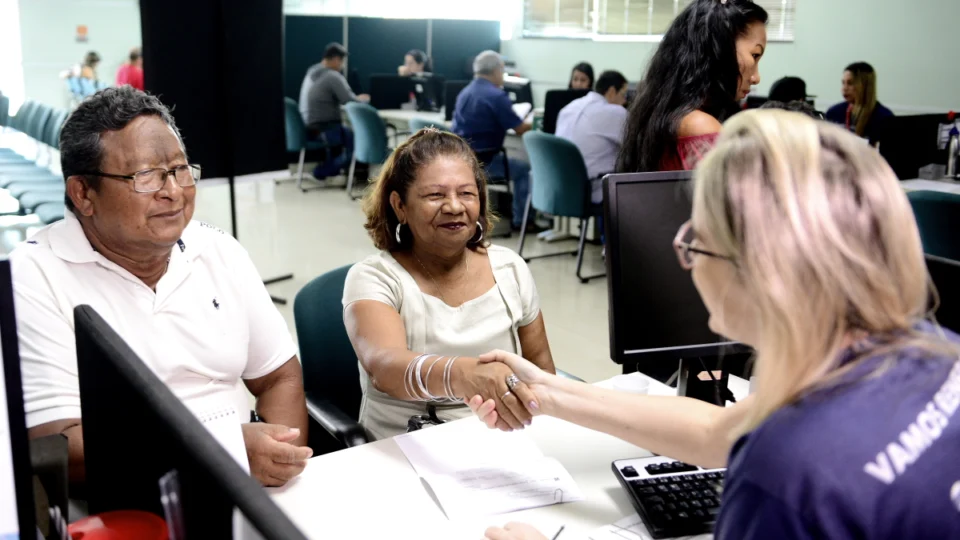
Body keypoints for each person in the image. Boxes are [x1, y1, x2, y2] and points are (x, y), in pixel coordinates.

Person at [474, 110, 960, 539]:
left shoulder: (784, 475)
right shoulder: (931, 348)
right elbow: (717, 431)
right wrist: (550, 393)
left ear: (761, 272)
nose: (686, 257)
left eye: (697, 239)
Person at [11, 87, 311, 489]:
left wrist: (282, 467)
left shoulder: (217, 249)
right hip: (129, 501)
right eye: (145, 176)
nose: (172, 192)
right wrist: (224, 455)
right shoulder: (35, 275)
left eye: (179, 169)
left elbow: (280, 378)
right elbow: (59, 446)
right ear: (83, 194)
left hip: (249, 489)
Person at [343, 128, 555, 440]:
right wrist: (466, 375)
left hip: (504, 439)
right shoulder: (374, 277)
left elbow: (542, 372)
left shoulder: (510, 268)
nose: (454, 206)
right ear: (400, 206)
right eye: (435, 195)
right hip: (405, 445)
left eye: (466, 194)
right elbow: (385, 369)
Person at [618, 0, 768, 173]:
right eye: (754, 55)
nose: (756, 78)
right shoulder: (700, 126)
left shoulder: (664, 115)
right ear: (719, 49)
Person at [452, 50, 536, 231]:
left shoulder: (465, 92)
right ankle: (522, 221)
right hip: (485, 162)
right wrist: (535, 121)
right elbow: (520, 129)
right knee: (524, 170)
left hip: (462, 159)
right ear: (497, 70)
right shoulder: (497, 96)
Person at [298, 42, 371, 180]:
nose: (342, 66)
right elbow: (348, 100)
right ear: (336, 59)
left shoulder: (312, 72)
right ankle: (320, 172)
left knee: (349, 136)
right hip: (324, 126)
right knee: (360, 143)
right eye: (342, 62)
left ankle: (335, 172)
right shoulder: (332, 76)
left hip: (308, 125)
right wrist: (365, 99)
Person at [555, 70, 628, 204]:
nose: (625, 101)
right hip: (593, 190)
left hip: (559, 188)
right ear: (612, 91)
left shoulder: (568, 108)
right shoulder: (616, 112)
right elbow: (637, 148)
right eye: (623, 95)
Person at [825, 62, 894, 142]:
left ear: (865, 86)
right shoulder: (833, 112)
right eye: (843, 83)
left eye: (850, 83)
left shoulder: (884, 117)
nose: (844, 88)